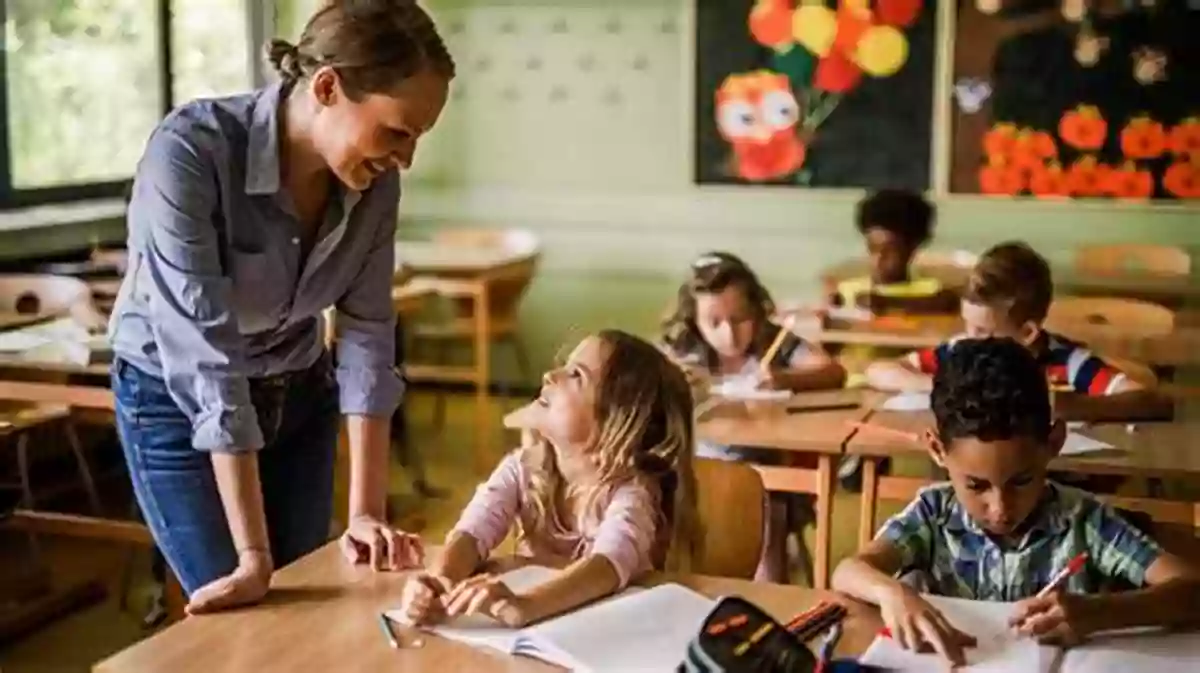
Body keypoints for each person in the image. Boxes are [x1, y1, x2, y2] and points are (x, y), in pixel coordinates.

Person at [108, 0, 453, 614]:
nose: (405, 158)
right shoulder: (190, 154)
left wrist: (367, 513)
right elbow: (208, 359)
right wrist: (252, 556)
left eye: (418, 138)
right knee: (240, 612)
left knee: (313, 604)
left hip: (297, 391)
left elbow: (369, 334)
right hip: (177, 399)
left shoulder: (375, 183)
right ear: (326, 87)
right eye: (397, 130)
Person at [832, 338, 1200, 666]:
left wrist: (1100, 612)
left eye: (1021, 481)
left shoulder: (1084, 522)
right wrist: (891, 592)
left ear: (1053, 443)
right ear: (936, 450)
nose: (1000, 508)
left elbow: (1191, 590)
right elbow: (847, 570)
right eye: (976, 485)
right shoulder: (933, 515)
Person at [396, 330, 701, 628]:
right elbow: (471, 534)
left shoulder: (633, 492)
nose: (550, 376)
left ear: (616, 422)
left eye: (576, 375)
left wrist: (524, 606)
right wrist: (439, 582)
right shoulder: (521, 468)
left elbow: (607, 565)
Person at [661, 251, 845, 582]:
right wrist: (672, 381)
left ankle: (769, 601)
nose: (729, 334)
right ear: (693, 319)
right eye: (714, 323)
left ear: (757, 310)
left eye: (740, 319)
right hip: (695, 474)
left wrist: (785, 378)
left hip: (769, 474)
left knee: (765, 509)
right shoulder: (684, 347)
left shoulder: (774, 341)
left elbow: (833, 372)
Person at [864, 241, 1159, 421]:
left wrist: (1060, 406)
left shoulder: (1066, 364)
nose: (969, 336)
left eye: (982, 330)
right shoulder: (961, 351)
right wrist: (938, 386)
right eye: (967, 324)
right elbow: (878, 370)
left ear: (1028, 333)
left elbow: (1146, 400)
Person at [828, 189, 958, 316]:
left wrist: (889, 303)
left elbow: (947, 303)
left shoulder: (933, 291)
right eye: (872, 248)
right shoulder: (847, 291)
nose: (878, 259)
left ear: (912, 248)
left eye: (890, 251)